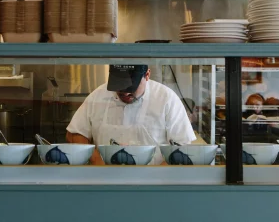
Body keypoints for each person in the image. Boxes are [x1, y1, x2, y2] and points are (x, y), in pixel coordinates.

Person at [66, 64, 196, 165]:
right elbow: (75, 134)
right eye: (120, 89)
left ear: (147, 75)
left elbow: (182, 147)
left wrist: (156, 175)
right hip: (106, 180)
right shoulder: (98, 96)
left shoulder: (166, 99)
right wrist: (97, 162)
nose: (126, 93)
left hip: (153, 183)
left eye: (131, 88)